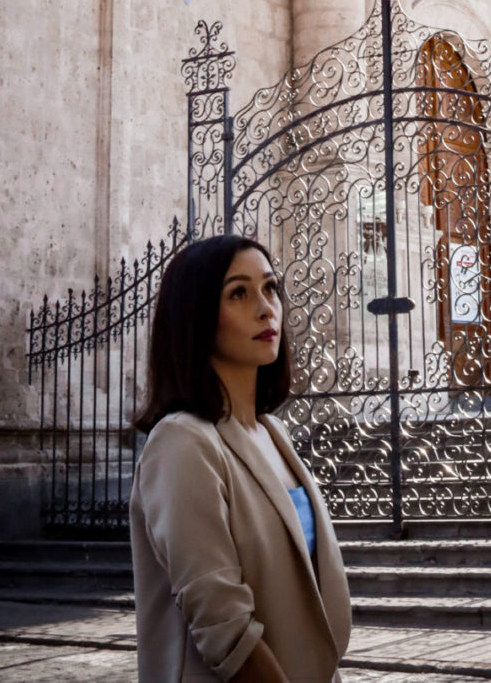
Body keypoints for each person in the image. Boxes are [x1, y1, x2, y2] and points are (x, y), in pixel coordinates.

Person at [130, 235, 351, 683]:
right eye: (238, 293)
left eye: (270, 288)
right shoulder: (182, 442)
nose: (265, 307)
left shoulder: (273, 432)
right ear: (197, 318)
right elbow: (225, 628)